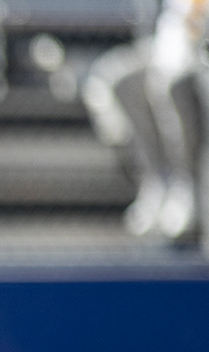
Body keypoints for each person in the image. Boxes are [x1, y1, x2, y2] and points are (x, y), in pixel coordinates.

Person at [82, 0, 207, 242]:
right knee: (118, 81)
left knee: (169, 85)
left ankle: (184, 187)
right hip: (164, 47)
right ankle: (156, 180)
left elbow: (196, 21)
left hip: (196, 52)